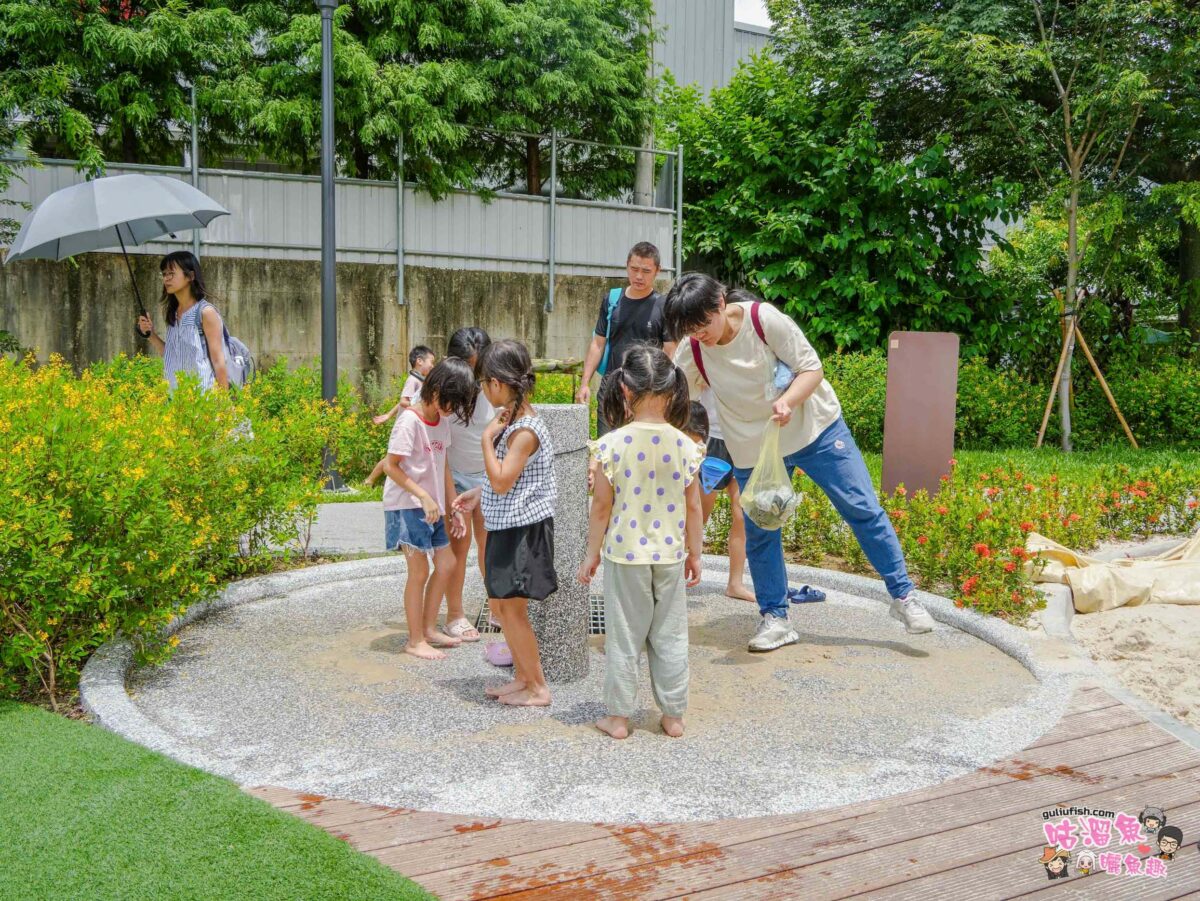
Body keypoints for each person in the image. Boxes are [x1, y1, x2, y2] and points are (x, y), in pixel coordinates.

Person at [663, 273, 936, 652]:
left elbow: (812, 368)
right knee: (761, 531)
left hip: (814, 428)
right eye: (690, 329)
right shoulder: (693, 350)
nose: (699, 334)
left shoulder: (763, 320)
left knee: (861, 506)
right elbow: (676, 400)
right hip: (754, 447)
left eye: (703, 323)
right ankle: (775, 617)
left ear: (721, 304)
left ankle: (904, 597)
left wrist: (788, 401)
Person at [579, 347, 703, 739]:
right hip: (669, 554)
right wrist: (695, 553)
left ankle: (618, 718)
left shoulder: (612, 445)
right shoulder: (686, 445)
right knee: (670, 636)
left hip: (625, 553)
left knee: (625, 635)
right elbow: (694, 506)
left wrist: (591, 554)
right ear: (672, 392)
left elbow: (601, 507)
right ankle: (673, 716)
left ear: (625, 390)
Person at [453, 340, 558, 707]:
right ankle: (523, 678)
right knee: (503, 608)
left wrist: (485, 439)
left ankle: (538, 687)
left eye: (484, 382)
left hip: (522, 531)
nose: (483, 389)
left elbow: (502, 480)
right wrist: (478, 495)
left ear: (498, 383)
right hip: (508, 524)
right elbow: (506, 482)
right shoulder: (511, 420)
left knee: (512, 610)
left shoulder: (523, 430)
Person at [381, 357, 477, 660]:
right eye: (449, 402)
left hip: (434, 507)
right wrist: (423, 496)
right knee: (419, 571)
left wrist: (454, 506)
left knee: (446, 564)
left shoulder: (442, 422)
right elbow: (391, 466)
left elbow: (443, 465)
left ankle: (428, 629)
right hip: (407, 507)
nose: (450, 409)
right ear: (434, 389)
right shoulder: (409, 421)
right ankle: (414, 640)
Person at [575, 242, 677, 436]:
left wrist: (653, 393)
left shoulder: (663, 306)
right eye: (634, 269)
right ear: (627, 266)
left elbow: (669, 352)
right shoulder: (612, 299)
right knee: (606, 448)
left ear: (657, 271)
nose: (639, 276)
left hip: (646, 391)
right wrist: (585, 383)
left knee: (639, 451)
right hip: (611, 386)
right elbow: (598, 343)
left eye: (646, 271)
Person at [441, 327, 495, 642]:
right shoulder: (446, 393)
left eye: (480, 371)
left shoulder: (496, 388)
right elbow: (440, 452)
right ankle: (455, 614)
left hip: (488, 478)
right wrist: (451, 499)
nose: (475, 380)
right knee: (458, 548)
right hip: (455, 478)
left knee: (491, 548)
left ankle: (497, 608)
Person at [684, 398, 754, 603]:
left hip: (744, 437)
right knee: (697, 514)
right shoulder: (705, 364)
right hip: (713, 435)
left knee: (741, 512)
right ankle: (671, 576)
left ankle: (735, 583)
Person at [136, 251, 229, 392]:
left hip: (203, 400)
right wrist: (151, 335)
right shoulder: (173, 313)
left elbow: (219, 361)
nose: (166, 279)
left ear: (190, 276)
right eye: (164, 274)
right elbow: (171, 355)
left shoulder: (205, 312)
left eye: (171, 273)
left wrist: (224, 404)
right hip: (177, 400)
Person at [366, 346, 437, 487]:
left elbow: (402, 401)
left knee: (400, 456)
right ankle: (370, 480)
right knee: (393, 456)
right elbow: (404, 401)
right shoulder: (413, 380)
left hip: (410, 424)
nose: (433, 366)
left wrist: (388, 415)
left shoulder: (420, 380)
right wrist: (419, 406)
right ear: (419, 361)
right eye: (431, 362)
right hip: (406, 425)